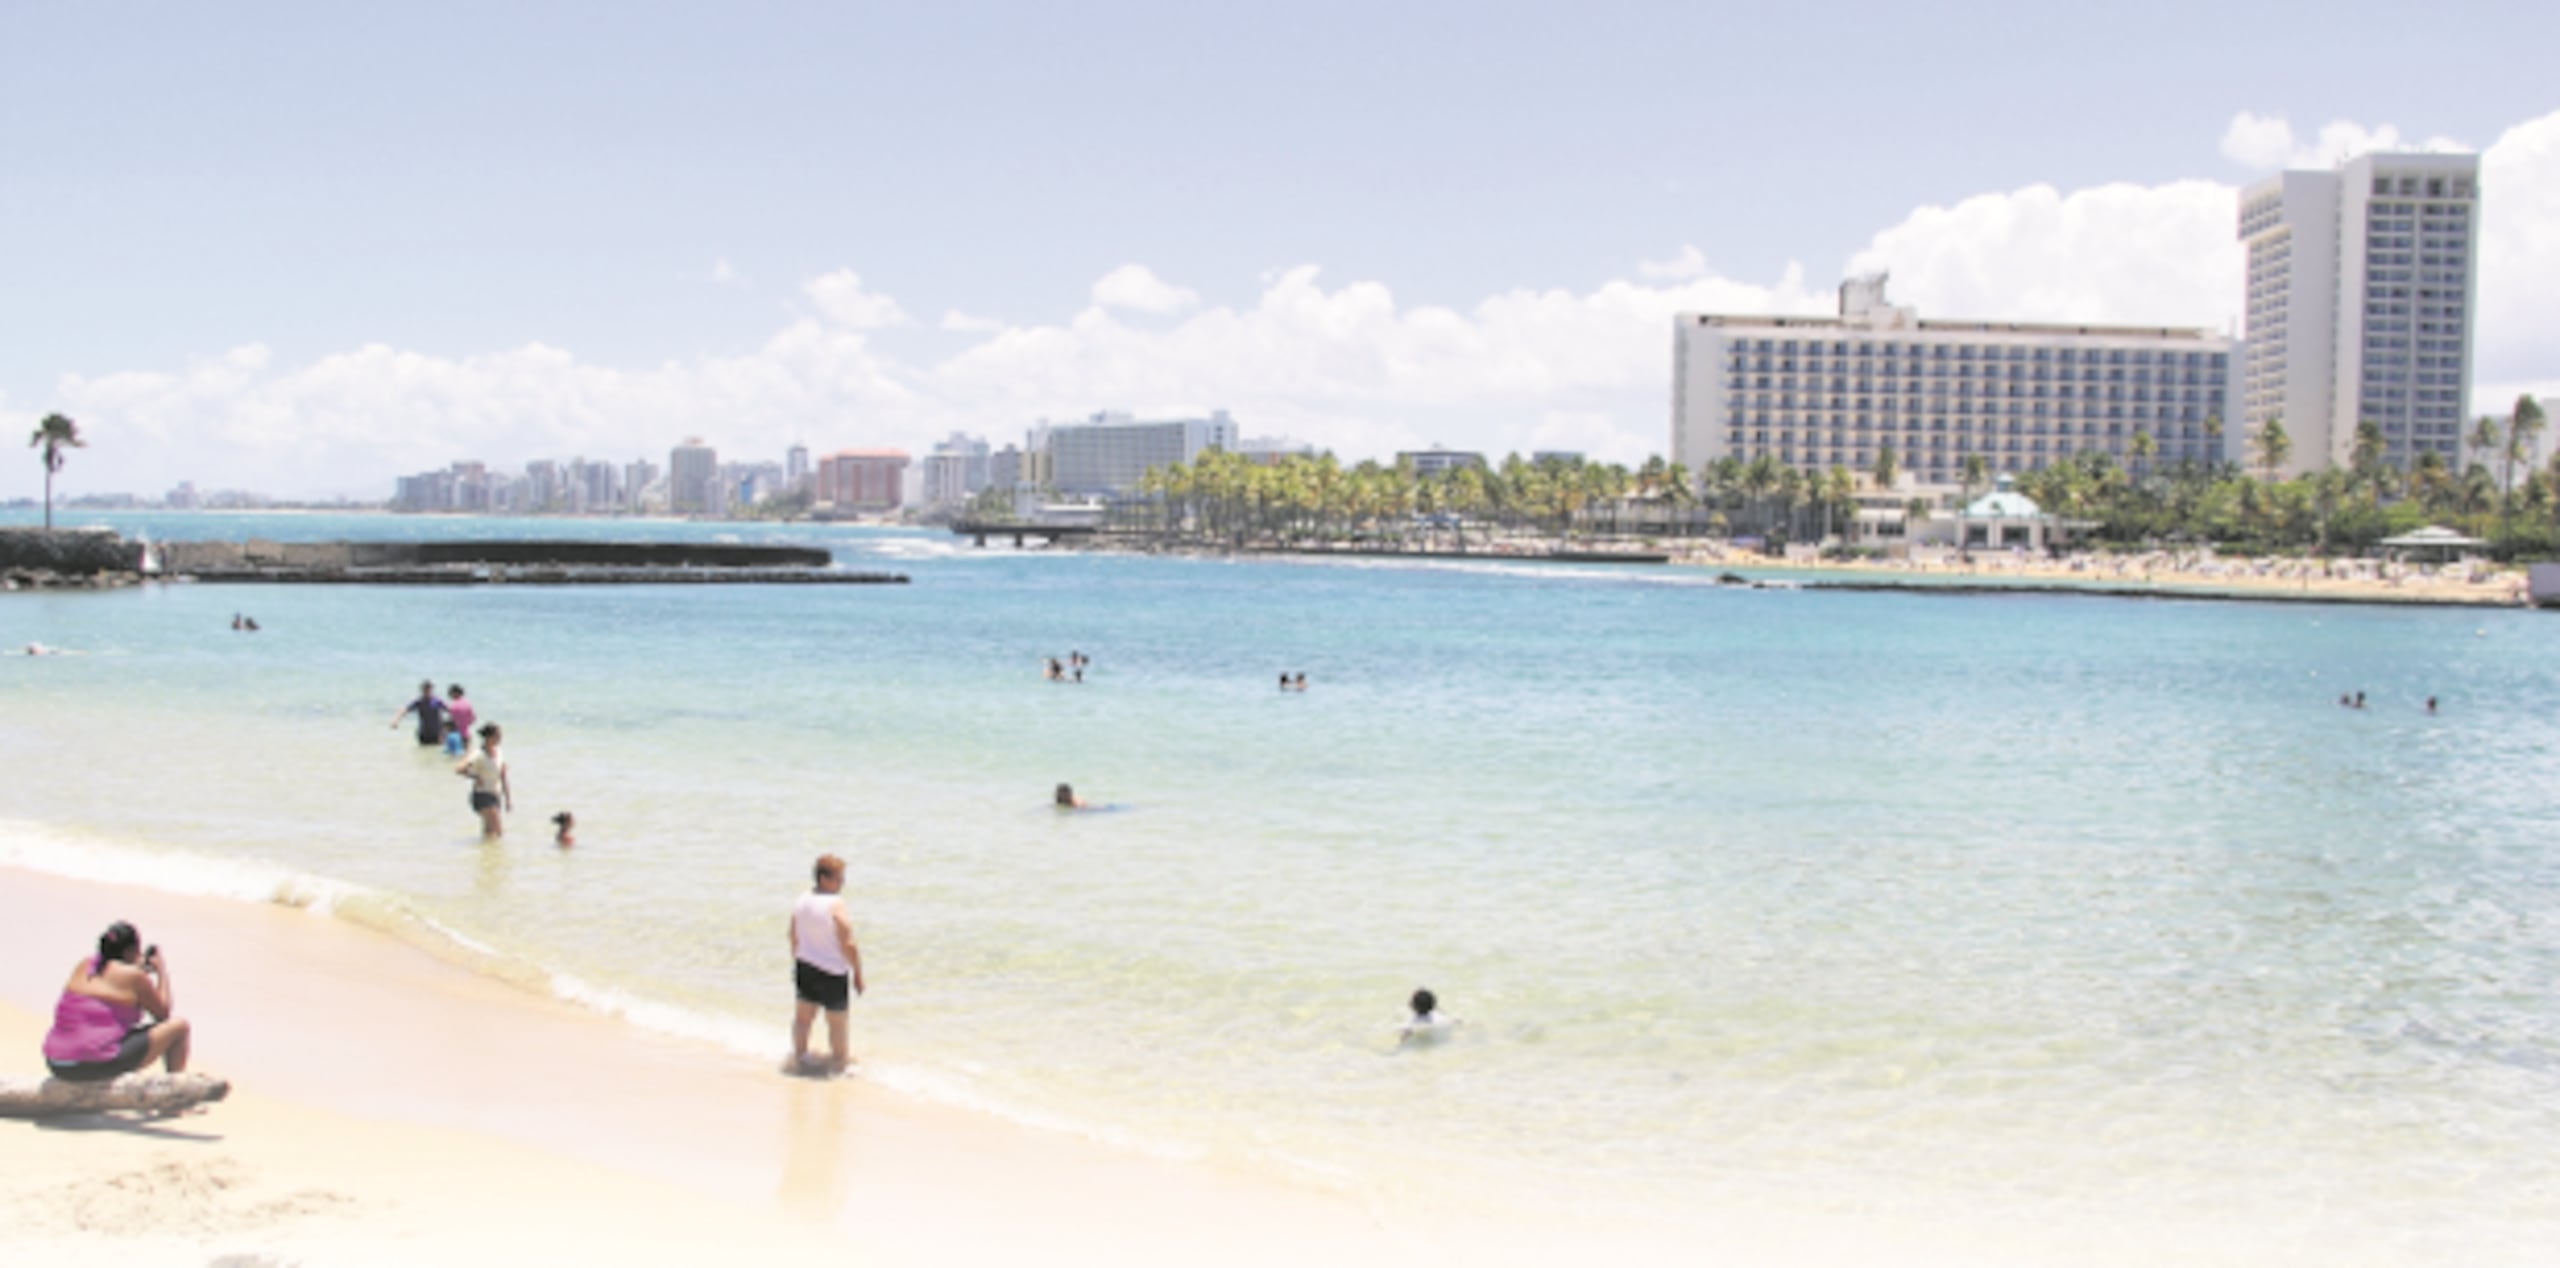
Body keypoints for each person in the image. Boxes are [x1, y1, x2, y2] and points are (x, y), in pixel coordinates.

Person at [42, 921, 191, 1082]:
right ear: (130, 951)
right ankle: (176, 1097)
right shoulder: (135, 977)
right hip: (88, 1065)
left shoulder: (85, 965)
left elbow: (111, 981)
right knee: (179, 1027)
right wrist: (161, 971)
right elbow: (162, 1013)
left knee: (116, 1036)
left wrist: (136, 967)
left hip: (57, 1063)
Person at [789, 854, 865, 1075]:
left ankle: (800, 1058)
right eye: (839, 879)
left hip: (805, 966)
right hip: (832, 972)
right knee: (837, 1023)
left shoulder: (801, 900)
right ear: (823, 879)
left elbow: (792, 936)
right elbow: (848, 943)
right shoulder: (835, 904)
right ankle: (839, 1065)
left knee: (803, 1019)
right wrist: (858, 973)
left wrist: (798, 960)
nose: (842, 883)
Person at [455, 723, 510, 838]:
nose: (500, 739)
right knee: (499, 831)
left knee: (489, 832)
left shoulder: (499, 752)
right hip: (481, 795)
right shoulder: (478, 754)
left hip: (494, 795)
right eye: (497, 736)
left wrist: (507, 799)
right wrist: (475, 777)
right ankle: (501, 854)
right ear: (488, 737)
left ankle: (487, 854)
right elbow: (459, 768)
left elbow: (503, 775)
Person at [392, 680, 448, 748]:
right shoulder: (419, 702)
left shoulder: (437, 701)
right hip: (424, 733)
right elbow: (404, 710)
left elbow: (450, 710)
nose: (427, 690)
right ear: (422, 689)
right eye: (425, 688)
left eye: (429, 688)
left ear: (432, 689)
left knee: (437, 753)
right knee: (423, 753)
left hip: (438, 733)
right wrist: (396, 720)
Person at [444, 684, 478, 757]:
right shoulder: (467, 704)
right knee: (467, 757)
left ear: (454, 693)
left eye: (450, 694)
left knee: (453, 759)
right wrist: (465, 724)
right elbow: (473, 719)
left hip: (455, 736)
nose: (450, 696)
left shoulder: (453, 706)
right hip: (466, 735)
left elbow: (451, 723)